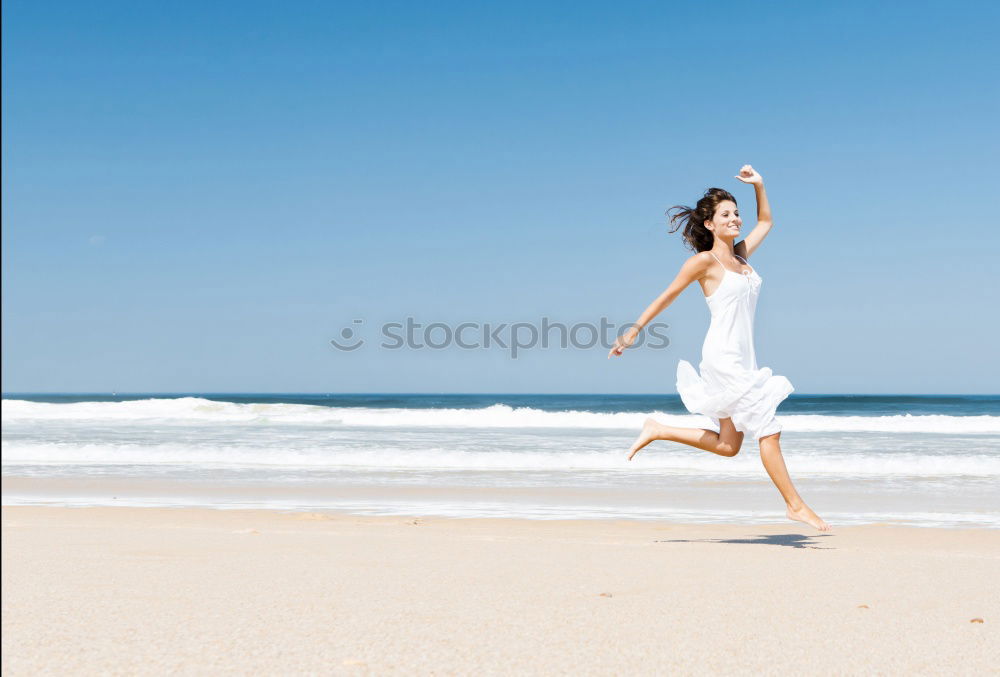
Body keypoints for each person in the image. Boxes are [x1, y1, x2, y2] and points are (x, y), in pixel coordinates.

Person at [608, 165, 830, 531]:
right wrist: (632, 332)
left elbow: (767, 221)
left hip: (744, 357)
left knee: (729, 446)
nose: (735, 219)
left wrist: (759, 185)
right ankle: (795, 505)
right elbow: (667, 296)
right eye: (726, 214)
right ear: (709, 224)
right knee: (768, 429)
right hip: (723, 358)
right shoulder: (703, 262)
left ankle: (658, 429)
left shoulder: (741, 256)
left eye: (736, 213)